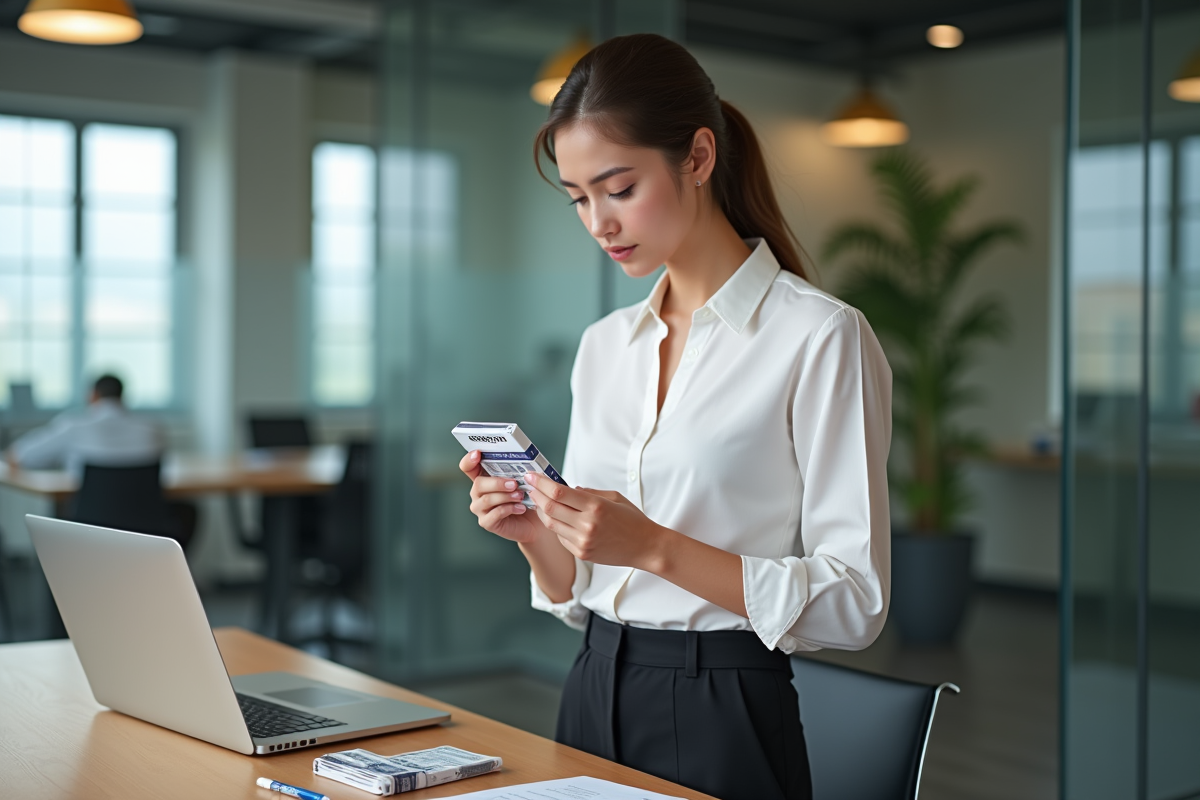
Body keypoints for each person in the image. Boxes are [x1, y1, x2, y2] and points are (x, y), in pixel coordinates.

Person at [459, 34, 892, 800]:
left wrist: (655, 547)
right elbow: (580, 588)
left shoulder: (820, 336)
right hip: (591, 685)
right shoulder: (604, 347)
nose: (599, 222)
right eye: (579, 198)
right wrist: (536, 536)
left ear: (697, 157)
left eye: (619, 188)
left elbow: (855, 602)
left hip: (725, 707)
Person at [6, 374, 196, 550]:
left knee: (58, 515)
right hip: (146, 525)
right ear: (122, 396)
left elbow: (19, 455)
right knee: (189, 510)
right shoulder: (153, 428)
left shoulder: (74, 426)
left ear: (93, 395)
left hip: (90, 524)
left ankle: (62, 574)